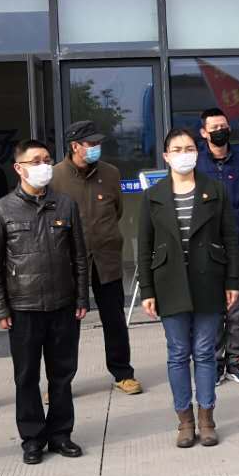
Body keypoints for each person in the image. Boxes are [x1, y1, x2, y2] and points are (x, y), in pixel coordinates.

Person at [0, 139, 90, 465]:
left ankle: (61, 434)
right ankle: (32, 438)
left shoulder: (65, 204)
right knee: (26, 377)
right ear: (19, 168)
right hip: (23, 308)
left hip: (63, 305)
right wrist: (0, 308)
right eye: (35, 161)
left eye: (47, 159)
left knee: (62, 375)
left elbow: (80, 256)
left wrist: (82, 296)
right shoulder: (1, 210)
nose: (43, 166)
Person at [140, 129, 239, 448]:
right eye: (177, 149)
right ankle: (184, 421)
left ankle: (206, 418)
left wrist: (232, 281)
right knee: (178, 353)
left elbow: (230, 237)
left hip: (208, 279)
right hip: (169, 283)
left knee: (205, 352)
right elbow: (144, 246)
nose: (184, 154)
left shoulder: (215, 190)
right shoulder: (153, 195)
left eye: (189, 148)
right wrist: (147, 290)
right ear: (166, 156)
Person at [51, 120, 140, 395]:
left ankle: (123, 373)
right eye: (90, 143)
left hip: (106, 259)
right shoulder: (55, 177)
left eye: (98, 143)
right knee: (67, 327)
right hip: (69, 263)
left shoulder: (110, 173)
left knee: (114, 320)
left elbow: (117, 210)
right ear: (74, 146)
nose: (96, 147)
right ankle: (60, 382)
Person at [196, 107, 239, 385]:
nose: (220, 131)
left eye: (223, 126)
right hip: (207, 246)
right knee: (212, 307)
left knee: (236, 307)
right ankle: (214, 362)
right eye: (214, 128)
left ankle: (236, 360)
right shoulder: (196, 163)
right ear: (204, 133)